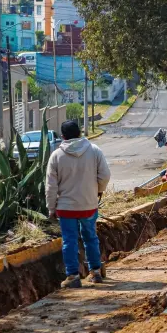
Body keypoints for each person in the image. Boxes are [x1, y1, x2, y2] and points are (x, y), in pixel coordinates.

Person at [46, 120, 111, 288]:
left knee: (69, 241)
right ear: (80, 134)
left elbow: (51, 187)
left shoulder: (56, 156)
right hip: (89, 204)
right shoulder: (94, 151)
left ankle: (73, 276)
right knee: (90, 237)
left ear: (62, 137)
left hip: (66, 208)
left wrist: (51, 208)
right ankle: (95, 272)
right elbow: (104, 175)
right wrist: (98, 191)